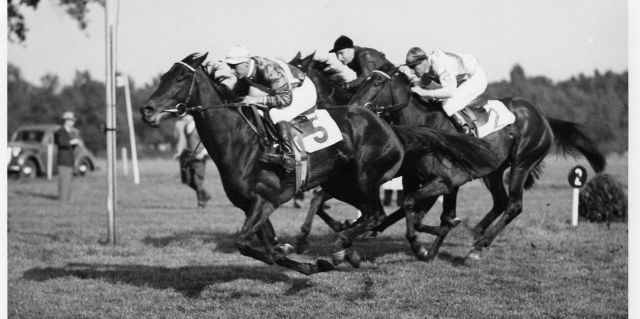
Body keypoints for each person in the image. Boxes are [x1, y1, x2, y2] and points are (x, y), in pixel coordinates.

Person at [223, 45, 317, 173]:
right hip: (286, 91)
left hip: (303, 91)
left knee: (275, 113)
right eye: (230, 66)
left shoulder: (268, 69)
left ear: (245, 63)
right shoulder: (246, 72)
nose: (232, 71)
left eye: (234, 66)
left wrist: (257, 100)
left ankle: (289, 157)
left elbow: (285, 100)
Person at [399, 47, 488, 135]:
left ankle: (467, 131)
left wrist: (424, 92)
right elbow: (427, 85)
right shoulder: (427, 68)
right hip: (460, 80)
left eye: (413, 66)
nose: (412, 71)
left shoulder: (439, 65)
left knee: (448, 104)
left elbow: (450, 92)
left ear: (424, 61)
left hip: (476, 79)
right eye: (410, 67)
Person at [175, 114, 212, 208]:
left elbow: (207, 141)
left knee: (197, 180)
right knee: (187, 180)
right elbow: (185, 141)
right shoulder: (186, 127)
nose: (184, 118)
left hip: (199, 156)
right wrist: (179, 152)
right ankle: (205, 194)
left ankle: (201, 202)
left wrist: (203, 152)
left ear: (192, 116)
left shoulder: (199, 127)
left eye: (186, 116)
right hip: (187, 155)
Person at [54, 111, 80, 201]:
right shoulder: (60, 131)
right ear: (66, 121)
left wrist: (75, 144)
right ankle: (62, 198)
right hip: (63, 160)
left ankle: (67, 198)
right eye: (71, 120)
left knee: (68, 181)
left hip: (69, 160)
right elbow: (61, 142)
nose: (73, 122)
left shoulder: (70, 132)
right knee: (63, 180)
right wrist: (71, 142)